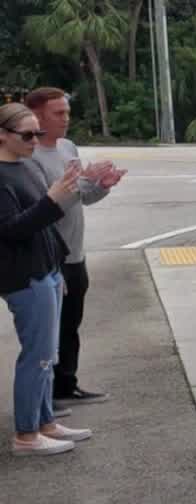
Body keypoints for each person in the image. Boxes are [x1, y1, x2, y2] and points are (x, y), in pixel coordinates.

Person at [0, 102, 93, 456]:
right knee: (37, 356)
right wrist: (52, 200)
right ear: (2, 135)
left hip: (47, 271)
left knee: (47, 354)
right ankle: (26, 435)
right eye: (26, 134)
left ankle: (45, 422)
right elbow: (12, 230)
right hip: (24, 277)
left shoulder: (26, 166)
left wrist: (58, 267)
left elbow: (47, 228)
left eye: (37, 133)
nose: (35, 140)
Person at [25, 87, 124, 406]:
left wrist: (101, 186)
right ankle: (45, 397)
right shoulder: (29, 156)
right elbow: (48, 205)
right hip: (50, 256)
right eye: (58, 113)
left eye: (67, 112)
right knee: (48, 332)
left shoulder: (68, 147)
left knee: (70, 325)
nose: (66, 119)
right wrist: (84, 182)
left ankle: (67, 385)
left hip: (76, 252)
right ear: (37, 115)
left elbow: (80, 197)